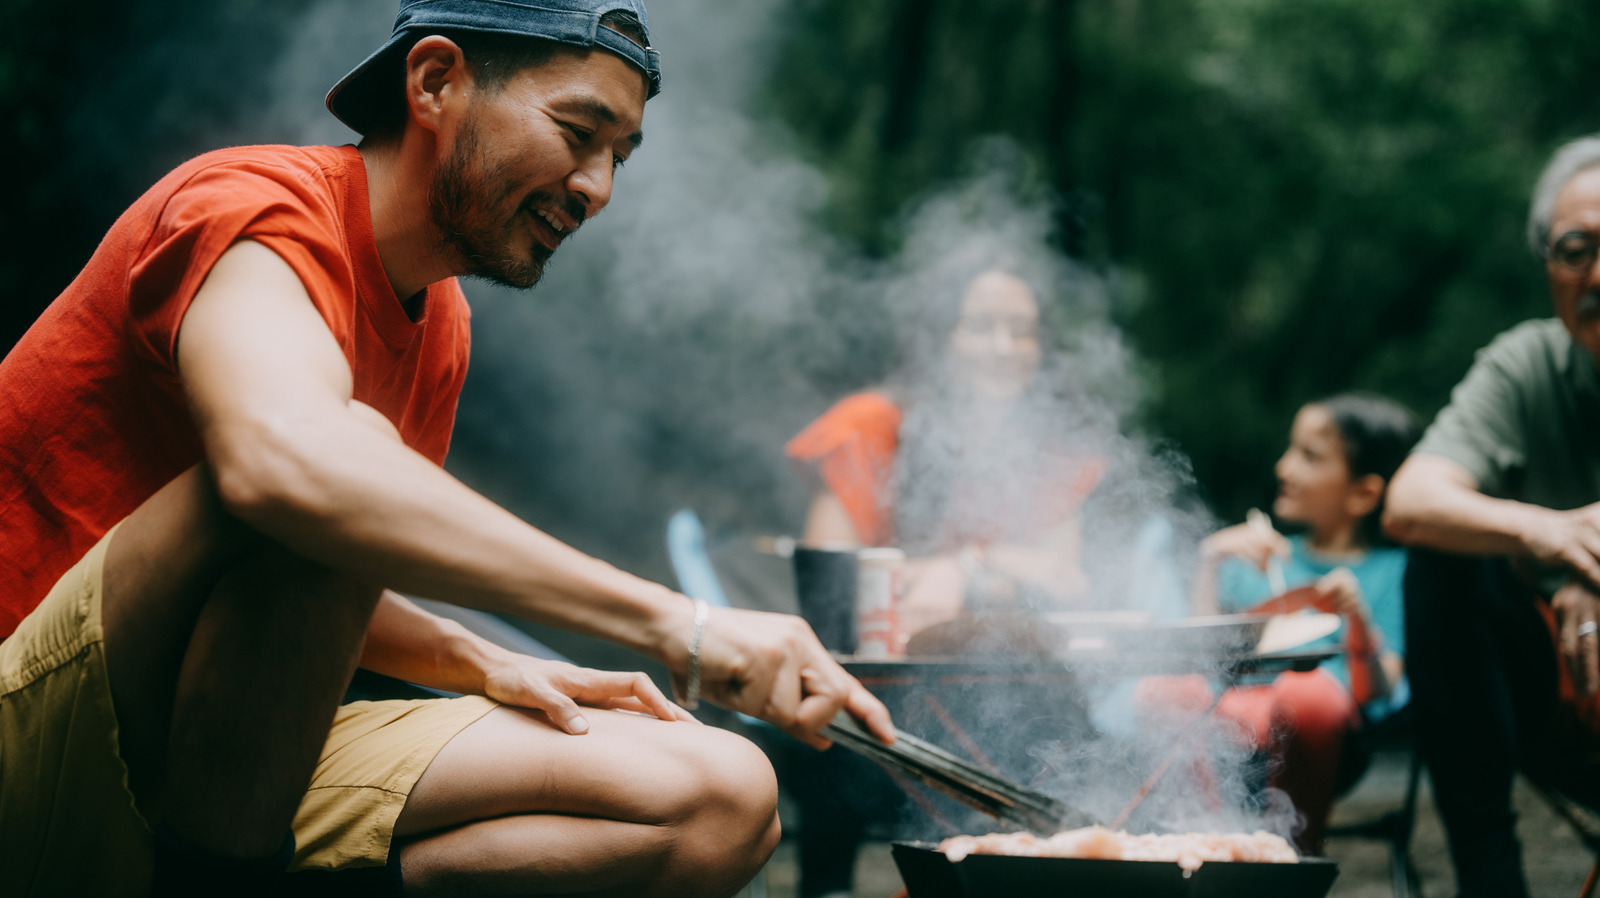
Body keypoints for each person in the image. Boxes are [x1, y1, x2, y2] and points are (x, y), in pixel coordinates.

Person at [0, 2, 893, 896]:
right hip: (32, 730)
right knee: (345, 463)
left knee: (721, 795)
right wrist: (679, 626)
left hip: (202, 752)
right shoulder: (251, 207)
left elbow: (296, 581)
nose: (598, 188)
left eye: (619, 156)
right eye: (579, 132)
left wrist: (483, 659)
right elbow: (289, 471)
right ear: (434, 82)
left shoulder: (439, 329)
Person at [1384, 135, 1600, 898]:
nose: (1599, 274)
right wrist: (1553, 536)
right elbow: (1411, 501)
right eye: (1577, 249)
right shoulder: (1527, 365)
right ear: (1548, 265)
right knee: (1444, 552)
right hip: (1559, 692)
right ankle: (1491, 883)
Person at [1137, 393, 1418, 855]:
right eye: (1291, 450)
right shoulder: (1254, 560)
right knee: (1163, 691)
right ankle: (1202, 851)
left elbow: (1381, 691)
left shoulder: (1393, 572)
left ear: (1363, 493)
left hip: (1330, 742)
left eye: (1310, 456)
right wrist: (1211, 561)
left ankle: (1289, 863)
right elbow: (1200, 658)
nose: (1284, 468)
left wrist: (1357, 620)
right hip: (1231, 742)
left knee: (1305, 693)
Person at [788, 262, 1103, 640]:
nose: (1003, 348)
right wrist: (985, 573)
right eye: (980, 326)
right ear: (939, 337)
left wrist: (969, 566)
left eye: (1021, 331)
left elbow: (1061, 584)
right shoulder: (867, 431)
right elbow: (829, 592)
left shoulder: (1052, 454)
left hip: (1009, 676)